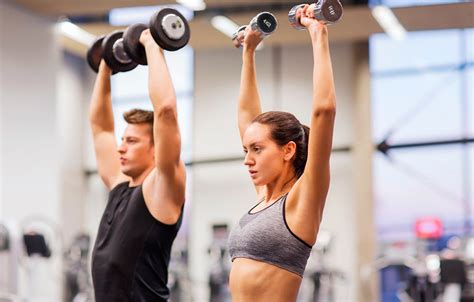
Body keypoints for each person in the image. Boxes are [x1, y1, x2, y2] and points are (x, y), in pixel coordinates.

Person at [227, 5, 337, 301]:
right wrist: (248, 52)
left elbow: (324, 111)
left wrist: (318, 31)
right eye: (246, 150)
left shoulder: (303, 199)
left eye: (258, 150)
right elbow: (247, 116)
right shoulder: (263, 195)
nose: (248, 159)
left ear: (288, 150)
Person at [88, 29, 186, 301]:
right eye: (123, 139)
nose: (121, 147)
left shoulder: (161, 188)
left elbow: (166, 110)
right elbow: (100, 128)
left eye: (131, 141)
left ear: (156, 147)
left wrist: (153, 46)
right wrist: (106, 65)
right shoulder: (119, 184)